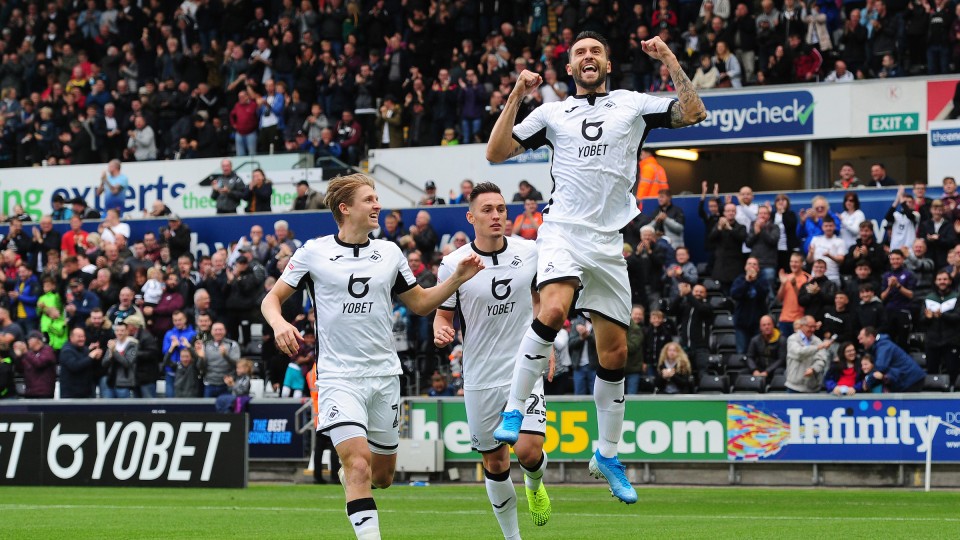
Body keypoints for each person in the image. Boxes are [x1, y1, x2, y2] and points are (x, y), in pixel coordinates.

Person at [261, 174, 483, 540]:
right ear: (345, 208)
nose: (377, 205)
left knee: (382, 476)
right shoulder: (313, 252)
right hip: (338, 378)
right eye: (369, 199)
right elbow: (271, 299)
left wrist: (456, 279)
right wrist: (278, 322)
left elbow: (421, 303)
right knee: (359, 465)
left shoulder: (390, 253)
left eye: (376, 198)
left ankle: (352, 476)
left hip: (384, 376)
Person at [433, 182, 552, 534]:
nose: (496, 215)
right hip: (480, 375)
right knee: (495, 462)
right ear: (471, 217)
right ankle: (512, 536)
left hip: (523, 367)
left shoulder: (529, 251)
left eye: (500, 208)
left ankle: (534, 484)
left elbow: (542, 299)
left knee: (529, 451)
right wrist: (442, 330)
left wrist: (546, 344)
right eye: (487, 210)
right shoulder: (453, 264)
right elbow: (443, 315)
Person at [858, 326, 926, 392]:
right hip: (905, 379)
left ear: (870, 337)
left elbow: (880, 367)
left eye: (861, 338)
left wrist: (868, 381)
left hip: (911, 379)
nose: (860, 342)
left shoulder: (884, 346)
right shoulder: (878, 346)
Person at [922, 271, 960, 385]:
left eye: (944, 279)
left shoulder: (956, 297)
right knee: (932, 370)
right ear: (935, 282)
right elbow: (921, 320)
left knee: (953, 371)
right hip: (932, 341)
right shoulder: (929, 298)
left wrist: (942, 315)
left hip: (951, 341)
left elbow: (958, 317)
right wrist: (927, 318)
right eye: (939, 279)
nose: (942, 282)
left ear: (950, 281)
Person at [730, 257, 770, 354]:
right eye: (749, 263)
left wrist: (755, 281)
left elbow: (764, 294)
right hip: (741, 323)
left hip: (758, 324)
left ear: (758, 268)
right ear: (745, 267)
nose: (752, 266)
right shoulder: (740, 279)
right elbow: (734, 294)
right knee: (742, 352)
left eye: (754, 264)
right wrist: (747, 282)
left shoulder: (762, 280)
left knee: (758, 352)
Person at [785, 316, 831, 393]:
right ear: (801, 326)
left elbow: (822, 360)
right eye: (810, 327)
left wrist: (813, 369)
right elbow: (799, 353)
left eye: (814, 326)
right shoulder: (792, 339)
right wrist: (817, 348)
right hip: (793, 387)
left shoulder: (818, 341)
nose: (812, 329)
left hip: (812, 387)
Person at [195, 322, 240, 398]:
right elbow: (200, 367)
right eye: (216, 330)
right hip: (209, 384)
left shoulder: (232, 344)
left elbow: (237, 364)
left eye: (220, 330)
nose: (218, 332)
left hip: (227, 383)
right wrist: (201, 358)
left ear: (225, 331)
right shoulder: (205, 345)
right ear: (211, 331)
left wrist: (225, 356)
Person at [103, 319, 138, 398]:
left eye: (122, 330)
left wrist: (114, 351)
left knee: (124, 406)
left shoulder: (132, 344)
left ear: (127, 331)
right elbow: (104, 363)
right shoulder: (112, 343)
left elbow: (127, 363)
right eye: (117, 330)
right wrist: (110, 355)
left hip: (124, 383)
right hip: (110, 382)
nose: (119, 333)